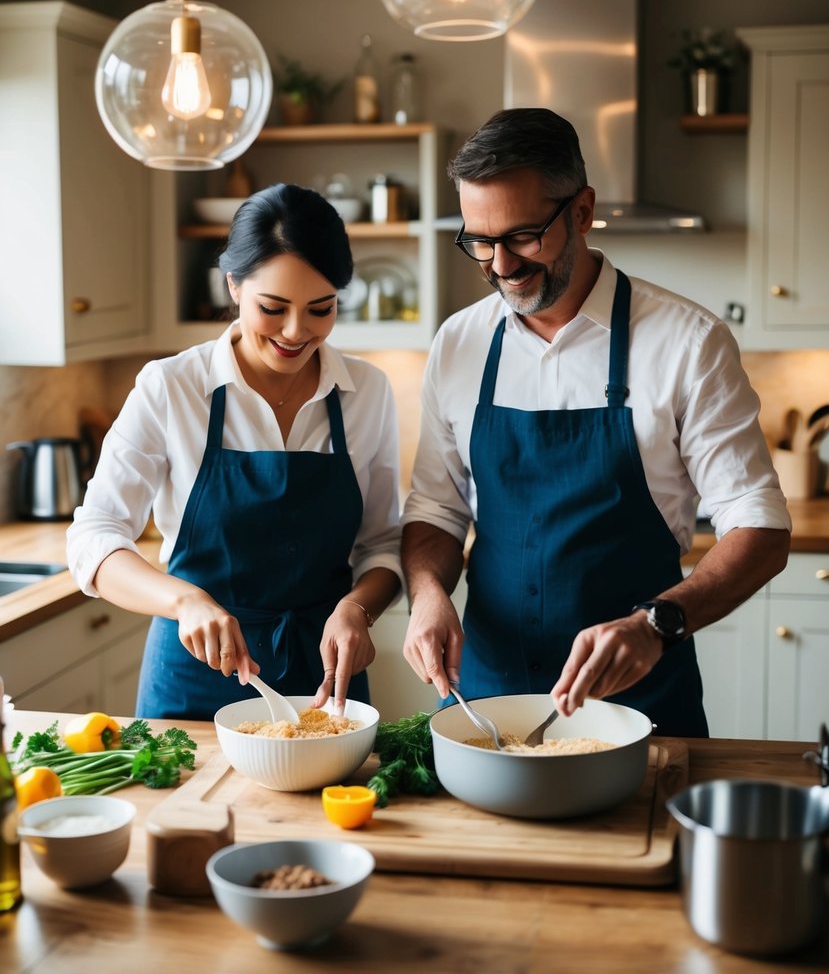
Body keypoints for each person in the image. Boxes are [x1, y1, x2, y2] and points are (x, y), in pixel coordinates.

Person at [401, 108, 791, 737]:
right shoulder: (459, 343)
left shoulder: (687, 341)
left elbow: (762, 527)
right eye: (480, 241)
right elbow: (436, 511)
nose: (501, 266)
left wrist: (655, 623)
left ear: (581, 211)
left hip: (639, 707)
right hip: (485, 703)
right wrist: (426, 596)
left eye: (524, 236)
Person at [68, 183, 402, 720]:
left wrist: (358, 610)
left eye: (322, 309)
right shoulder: (171, 386)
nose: (297, 332)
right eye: (273, 308)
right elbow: (94, 537)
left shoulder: (367, 392)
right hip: (194, 678)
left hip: (325, 681)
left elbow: (384, 544)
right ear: (234, 286)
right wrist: (184, 601)